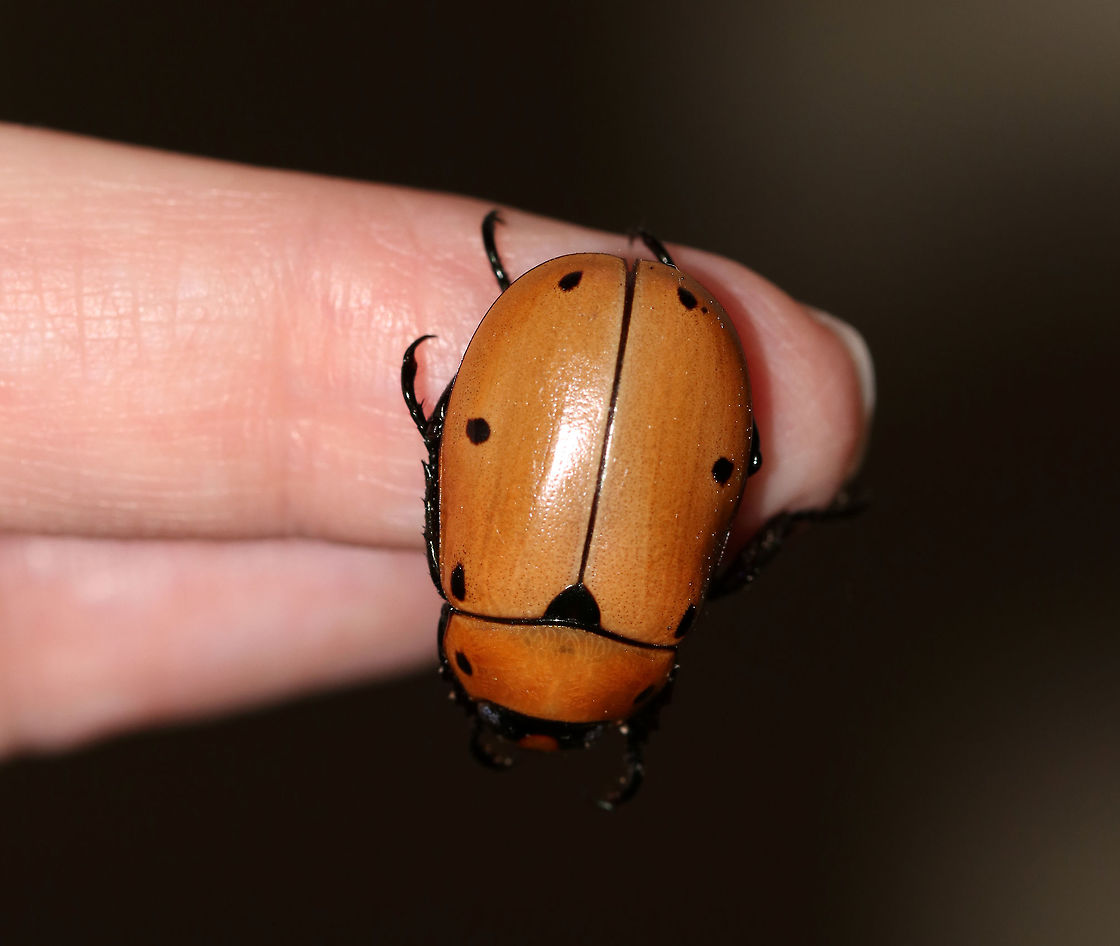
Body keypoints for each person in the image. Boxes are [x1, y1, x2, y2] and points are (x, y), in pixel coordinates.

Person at [0, 124, 874, 759]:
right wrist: (441, 432)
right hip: (613, 338)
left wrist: (789, 517)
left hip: (633, 347)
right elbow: (452, 473)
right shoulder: (463, 580)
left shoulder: (664, 618)